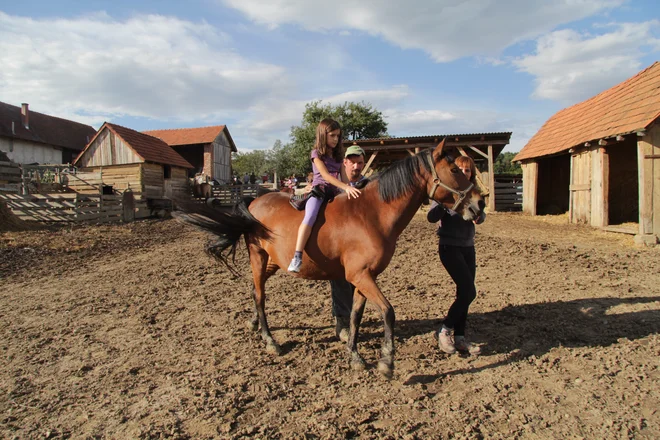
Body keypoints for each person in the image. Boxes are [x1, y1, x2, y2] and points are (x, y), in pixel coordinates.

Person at [427, 155, 485, 355]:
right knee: (470, 292)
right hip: (449, 247)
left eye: (467, 170)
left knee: (464, 294)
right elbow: (430, 217)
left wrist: (480, 216)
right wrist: (445, 205)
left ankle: (460, 338)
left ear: (472, 173)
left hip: (468, 247)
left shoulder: (474, 193)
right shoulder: (446, 192)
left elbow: (481, 214)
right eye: (460, 170)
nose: (464, 173)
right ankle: (444, 331)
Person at [287, 118, 361, 273]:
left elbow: (345, 178)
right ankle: (297, 256)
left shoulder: (339, 155)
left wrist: (351, 189)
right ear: (323, 135)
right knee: (310, 217)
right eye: (332, 135)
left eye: (338, 136)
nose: (335, 139)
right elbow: (326, 176)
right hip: (319, 191)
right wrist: (346, 188)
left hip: (335, 193)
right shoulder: (316, 154)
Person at [329, 145, 367, 341]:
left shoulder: (367, 185)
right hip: (338, 241)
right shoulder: (334, 183)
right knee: (340, 280)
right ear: (344, 162)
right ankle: (341, 321)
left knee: (360, 281)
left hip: (361, 243)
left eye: (360, 162)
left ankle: (352, 316)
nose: (356, 166)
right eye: (352, 161)